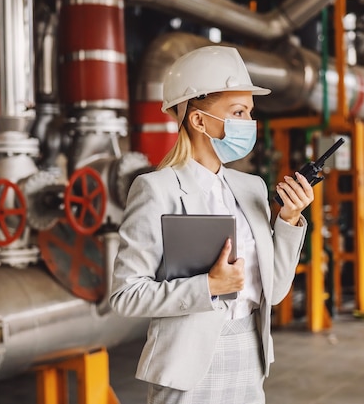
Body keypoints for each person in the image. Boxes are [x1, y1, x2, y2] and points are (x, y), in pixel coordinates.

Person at [110, 45, 314, 404]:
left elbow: (276, 290)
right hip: (186, 366)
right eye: (237, 112)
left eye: (250, 113)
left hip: (249, 354)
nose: (248, 124)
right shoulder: (156, 190)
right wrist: (207, 286)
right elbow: (125, 296)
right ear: (198, 120)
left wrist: (289, 219)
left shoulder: (252, 189)